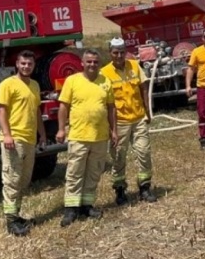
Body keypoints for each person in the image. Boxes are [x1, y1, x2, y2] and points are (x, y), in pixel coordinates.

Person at [57, 49, 117, 227]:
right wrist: (61, 129)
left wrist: (114, 131)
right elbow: (63, 107)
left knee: (93, 173)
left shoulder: (105, 81)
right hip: (79, 136)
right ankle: (71, 208)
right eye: (89, 62)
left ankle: (87, 205)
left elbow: (111, 108)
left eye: (95, 62)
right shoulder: (72, 81)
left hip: (100, 137)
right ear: (82, 63)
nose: (92, 65)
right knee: (75, 173)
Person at [0, 50, 46, 236]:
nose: (26, 67)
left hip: (29, 138)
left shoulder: (34, 85)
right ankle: (11, 222)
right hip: (14, 139)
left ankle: (16, 216)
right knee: (12, 179)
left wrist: (41, 134)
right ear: (17, 64)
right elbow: (1, 111)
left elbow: (37, 112)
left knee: (23, 180)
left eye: (30, 64)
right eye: (23, 63)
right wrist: (7, 135)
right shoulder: (7, 85)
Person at [100, 38, 156, 206]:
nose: (119, 56)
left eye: (122, 52)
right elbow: (104, 102)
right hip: (120, 122)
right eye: (115, 53)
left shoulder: (134, 65)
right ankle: (120, 190)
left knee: (144, 152)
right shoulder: (104, 73)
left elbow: (144, 88)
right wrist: (110, 127)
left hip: (138, 118)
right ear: (110, 53)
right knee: (118, 157)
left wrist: (148, 111)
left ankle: (145, 187)